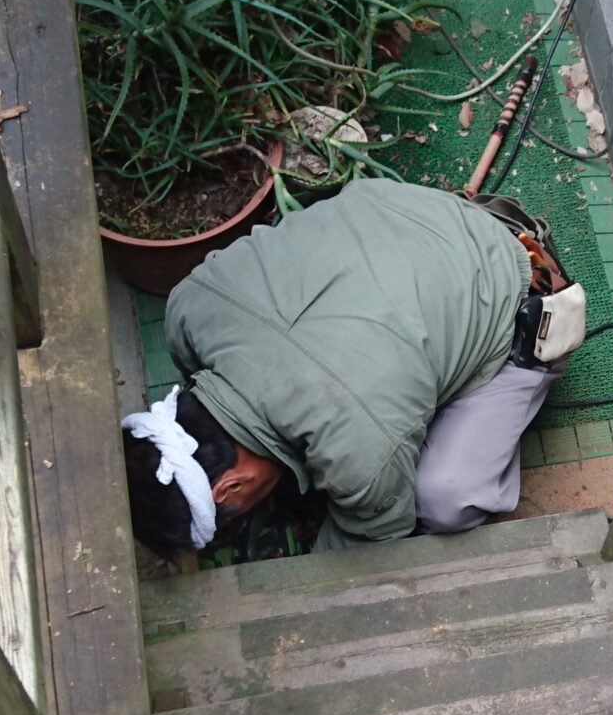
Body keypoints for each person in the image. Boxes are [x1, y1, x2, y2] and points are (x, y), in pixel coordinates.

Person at [120, 179, 583, 558]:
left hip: (516, 283)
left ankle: (528, 362)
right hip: (410, 212)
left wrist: (295, 582)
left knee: (446, 499)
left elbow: (368, 545)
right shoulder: (188, 309)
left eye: (232, 516)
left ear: (228, 487)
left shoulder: (359, 457)